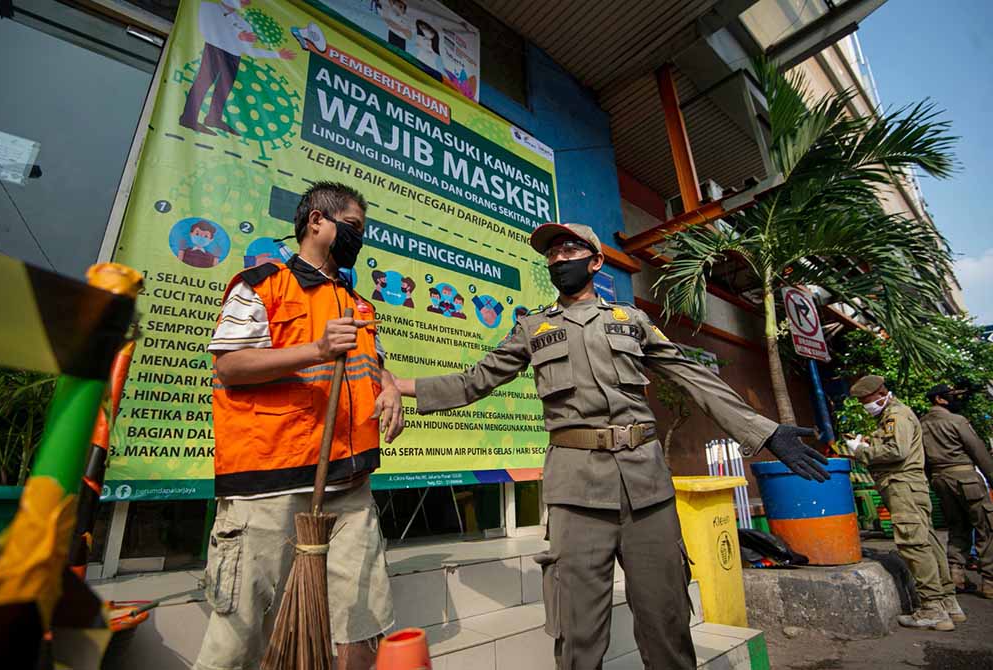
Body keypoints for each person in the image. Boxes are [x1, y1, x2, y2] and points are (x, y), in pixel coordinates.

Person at [394, 222, 829, 670]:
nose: (559, 259)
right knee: (578, 630)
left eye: (569, 250)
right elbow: (475, 381)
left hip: (647, 488)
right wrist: (400, 385)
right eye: (552, 254)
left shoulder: (632, 321)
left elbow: (692, 376)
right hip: (576, 492)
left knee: (667, 619)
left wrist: (765, 431)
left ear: (595, 261)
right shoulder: (533, 327)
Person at [195, 181, 404, 670]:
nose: (359, 238)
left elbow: (374, 363)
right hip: (271, 487)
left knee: (361, 628)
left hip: (350, 487)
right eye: (352, 226)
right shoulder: (262, 285)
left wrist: (391, 387)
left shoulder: (358, 304)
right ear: (316, 222)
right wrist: (316, 349)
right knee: (240, 639)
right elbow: (229, 365)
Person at [849, 375, 964, 630]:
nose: (864, 406)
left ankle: (932, 608)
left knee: (913, 543)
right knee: (927, 541)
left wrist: (860, 450)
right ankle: (948, 602)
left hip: (902, 486)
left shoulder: (896, 415)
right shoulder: (893, 415)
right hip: (911, 486)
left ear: (880, 394)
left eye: (866, 400)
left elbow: (896, 451)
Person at [179, 0, 295, 136]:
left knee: (223, 90)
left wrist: (277, 54)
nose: (246, 2)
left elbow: (249, 51)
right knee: (202, 84)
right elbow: (206, 31)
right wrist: (237, 35)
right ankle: (188, 117)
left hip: (234, 58)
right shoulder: (209, 7)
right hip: (214, 51)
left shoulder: (244, 24)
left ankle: (214, 118)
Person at [920, 384, 993, 598]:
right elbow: (978, 451)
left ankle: (956, 575)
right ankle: (989, 581)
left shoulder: (920, 424)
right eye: (952, 396)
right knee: (986, 526)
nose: (956, 399)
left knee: (957, 526)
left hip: (939, 481)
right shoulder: (956, 421)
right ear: (939, 399)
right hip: (966, 479)